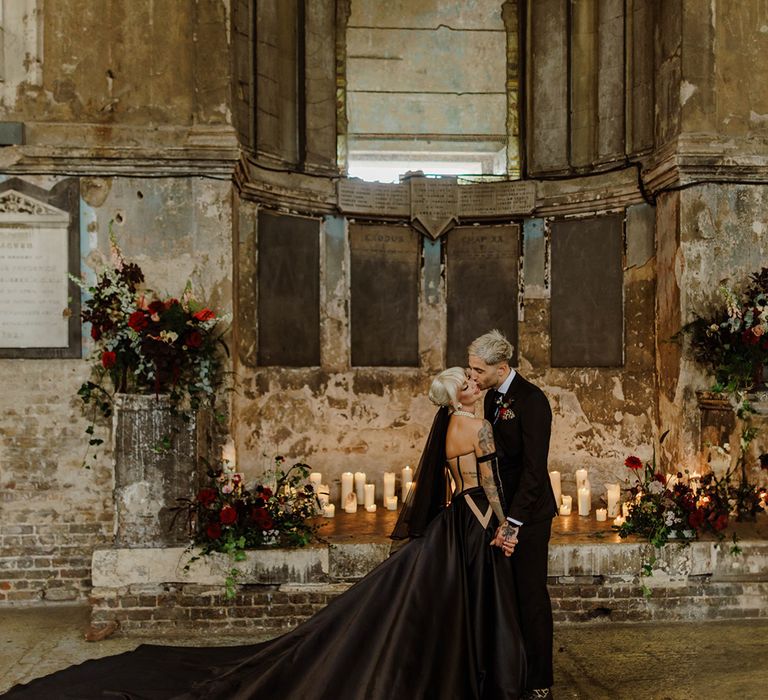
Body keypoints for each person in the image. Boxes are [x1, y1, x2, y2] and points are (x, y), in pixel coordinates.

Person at [5, 368, 526, 700]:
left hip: (453, 520)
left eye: (475, 381)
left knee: (437, 604)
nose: (475, 385)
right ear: (458, 393)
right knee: (465, 601)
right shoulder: (475, 428)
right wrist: (504, 526)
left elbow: (454, 485)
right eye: (470, 382)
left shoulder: (448, 427)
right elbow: (490, 486)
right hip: (477, 520)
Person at [468, 329, 558, 700]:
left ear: (501, 367)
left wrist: (515, 523)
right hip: (501, 510)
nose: (472, 376)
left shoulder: (533, 401)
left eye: (478, 371)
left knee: (531, 595)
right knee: (505, 596)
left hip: (530, 515)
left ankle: (539, 681)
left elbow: (535, 470)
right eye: (471, 370)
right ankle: (509, 670)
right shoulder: (492, 398)